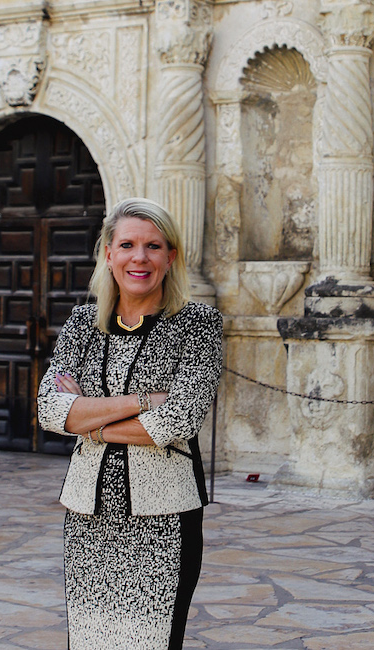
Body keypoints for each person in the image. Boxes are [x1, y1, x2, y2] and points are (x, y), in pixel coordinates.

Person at [37, 197, 223, 650]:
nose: (139, 258)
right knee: (91, 638)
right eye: (127, 245)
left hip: (163, 514)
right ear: (108, 253)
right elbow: (49, 411)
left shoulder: (198, 325)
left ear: (170, 256)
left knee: (151, 641)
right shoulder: (83, 323)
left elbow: (178, 421)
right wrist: (143, 401)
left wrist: (89, 420)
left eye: (153, 246)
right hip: (89, 513)